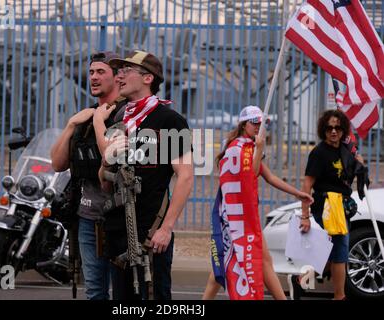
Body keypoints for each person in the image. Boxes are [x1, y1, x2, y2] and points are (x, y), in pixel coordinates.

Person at [98, 50, 193, 300]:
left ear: (148, 78)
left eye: (126, 71)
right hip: (119, 230)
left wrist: (167, 228)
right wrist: (106, 162)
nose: (119, 77)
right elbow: (105, 184)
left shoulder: (170, 120)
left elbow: (186, 176)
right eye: (118, 71)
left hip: (152, 233)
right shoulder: (118, 119)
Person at [204, 105, 313, 300]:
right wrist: (260, 148)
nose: (259, 127)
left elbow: (269, 177)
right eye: (255, 123)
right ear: (244, 124)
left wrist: (297, 193)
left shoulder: (242, 147)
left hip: (240, 216)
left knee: (254, 261)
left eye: (262, 124)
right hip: (238, 218)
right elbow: (251, 175)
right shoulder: (241, 148)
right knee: (235, 262)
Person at [50, 51, 126, 300]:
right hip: (88, 217)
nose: (93, 77)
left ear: (117, 77)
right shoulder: (84, 118)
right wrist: (71, 125)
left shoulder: (129, 115)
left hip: (122, 218)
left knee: (125, 293)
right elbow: (58, 163)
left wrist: (98, 123)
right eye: (91, 71)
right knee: (94, 291)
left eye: (101, 72)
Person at [300, 109, 363, 300]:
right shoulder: (319, 153)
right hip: (326, 205)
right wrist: (305, 216)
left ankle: (301, 281)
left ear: (343, 130)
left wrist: (359, 164)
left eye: (337, 128)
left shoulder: (346, 151)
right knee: (341, 247)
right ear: (323, 130)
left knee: (334, 251)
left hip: (343, 206)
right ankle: (339, 296)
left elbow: (352, 177)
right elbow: (307, 184)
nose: (333, 132)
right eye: (329, 128)